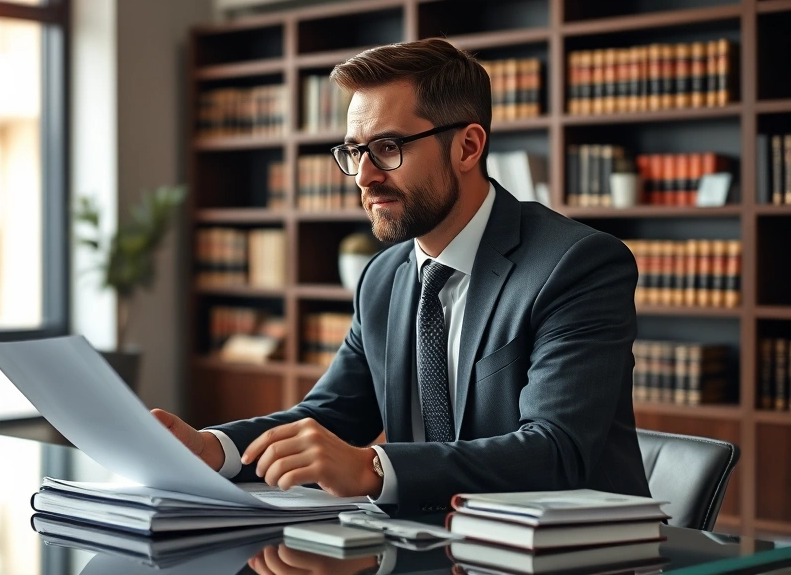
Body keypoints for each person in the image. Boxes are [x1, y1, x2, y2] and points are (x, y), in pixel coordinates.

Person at [153, 37, 651, 515]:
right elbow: (332, 416)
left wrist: (372, 467)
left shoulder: (576, 265)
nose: (365, 176)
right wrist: (212, 449)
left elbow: (555, 451)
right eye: (354, 151)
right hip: (429, 545)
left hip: (571, 555)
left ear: (468, 147)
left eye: (388, 147)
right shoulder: (383, 277)